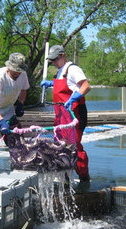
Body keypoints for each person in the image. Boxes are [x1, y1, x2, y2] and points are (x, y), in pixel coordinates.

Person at [40, 45, 91, 183]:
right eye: (52, 61)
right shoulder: (60, 71)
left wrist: (74, 98)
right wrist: (51, 83)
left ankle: (84, 178)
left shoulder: (73, 69)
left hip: (74, 114)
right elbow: (66, 84)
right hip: (61, 116)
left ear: (63, 55)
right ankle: (66, 178)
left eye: (55, 59)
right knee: (61, 146)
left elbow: (86, 86)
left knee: (74, 147)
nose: (54, 63)